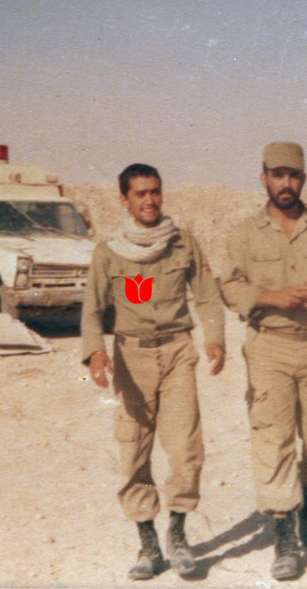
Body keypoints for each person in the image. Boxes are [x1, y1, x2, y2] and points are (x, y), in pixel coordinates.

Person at [81, 163, 226, 581]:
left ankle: (177, 536)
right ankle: (148, 544)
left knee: (185, 449)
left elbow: (207, 295)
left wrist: (215, 338)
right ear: (124, 200)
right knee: (134, 450)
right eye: (140, 193)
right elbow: (91, 308)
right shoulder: (109, 250)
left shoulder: (183, 242)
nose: (150, 200)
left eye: (155, 191)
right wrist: (95, 353)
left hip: (177, 351)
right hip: (131, 358)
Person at [219, 142, 307, 581]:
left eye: (293, 176)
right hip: (269, 346)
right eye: (278, 175)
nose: (286, 183)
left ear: (303, 180)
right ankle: (285, 536)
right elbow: (229, 284)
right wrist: (268, 297)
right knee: (273, 439)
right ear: (264, 179)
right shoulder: (245, 232)